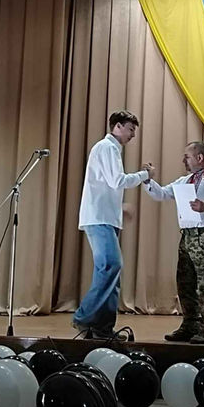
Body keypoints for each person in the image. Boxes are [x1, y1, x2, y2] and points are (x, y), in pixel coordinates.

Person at [73, 110, 150, 339]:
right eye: (130, 129)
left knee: (110, 272)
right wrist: (144, 174)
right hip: (99, 218)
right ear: (117, 126)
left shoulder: (110, 149)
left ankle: (102, 328)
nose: (133, 135)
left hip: (104, 216)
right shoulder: (107, 148)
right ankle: (83, 317)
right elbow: (117, 180)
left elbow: (105, 185)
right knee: (111, 266)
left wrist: (120, 207)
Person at [143, 142, 204, 344]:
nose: (183, 160)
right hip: (187, 236)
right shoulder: (184, 181)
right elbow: (162, 193)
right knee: (185, 282)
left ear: (200, 158)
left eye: (187, 157)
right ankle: (190, 324)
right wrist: (148, 180)